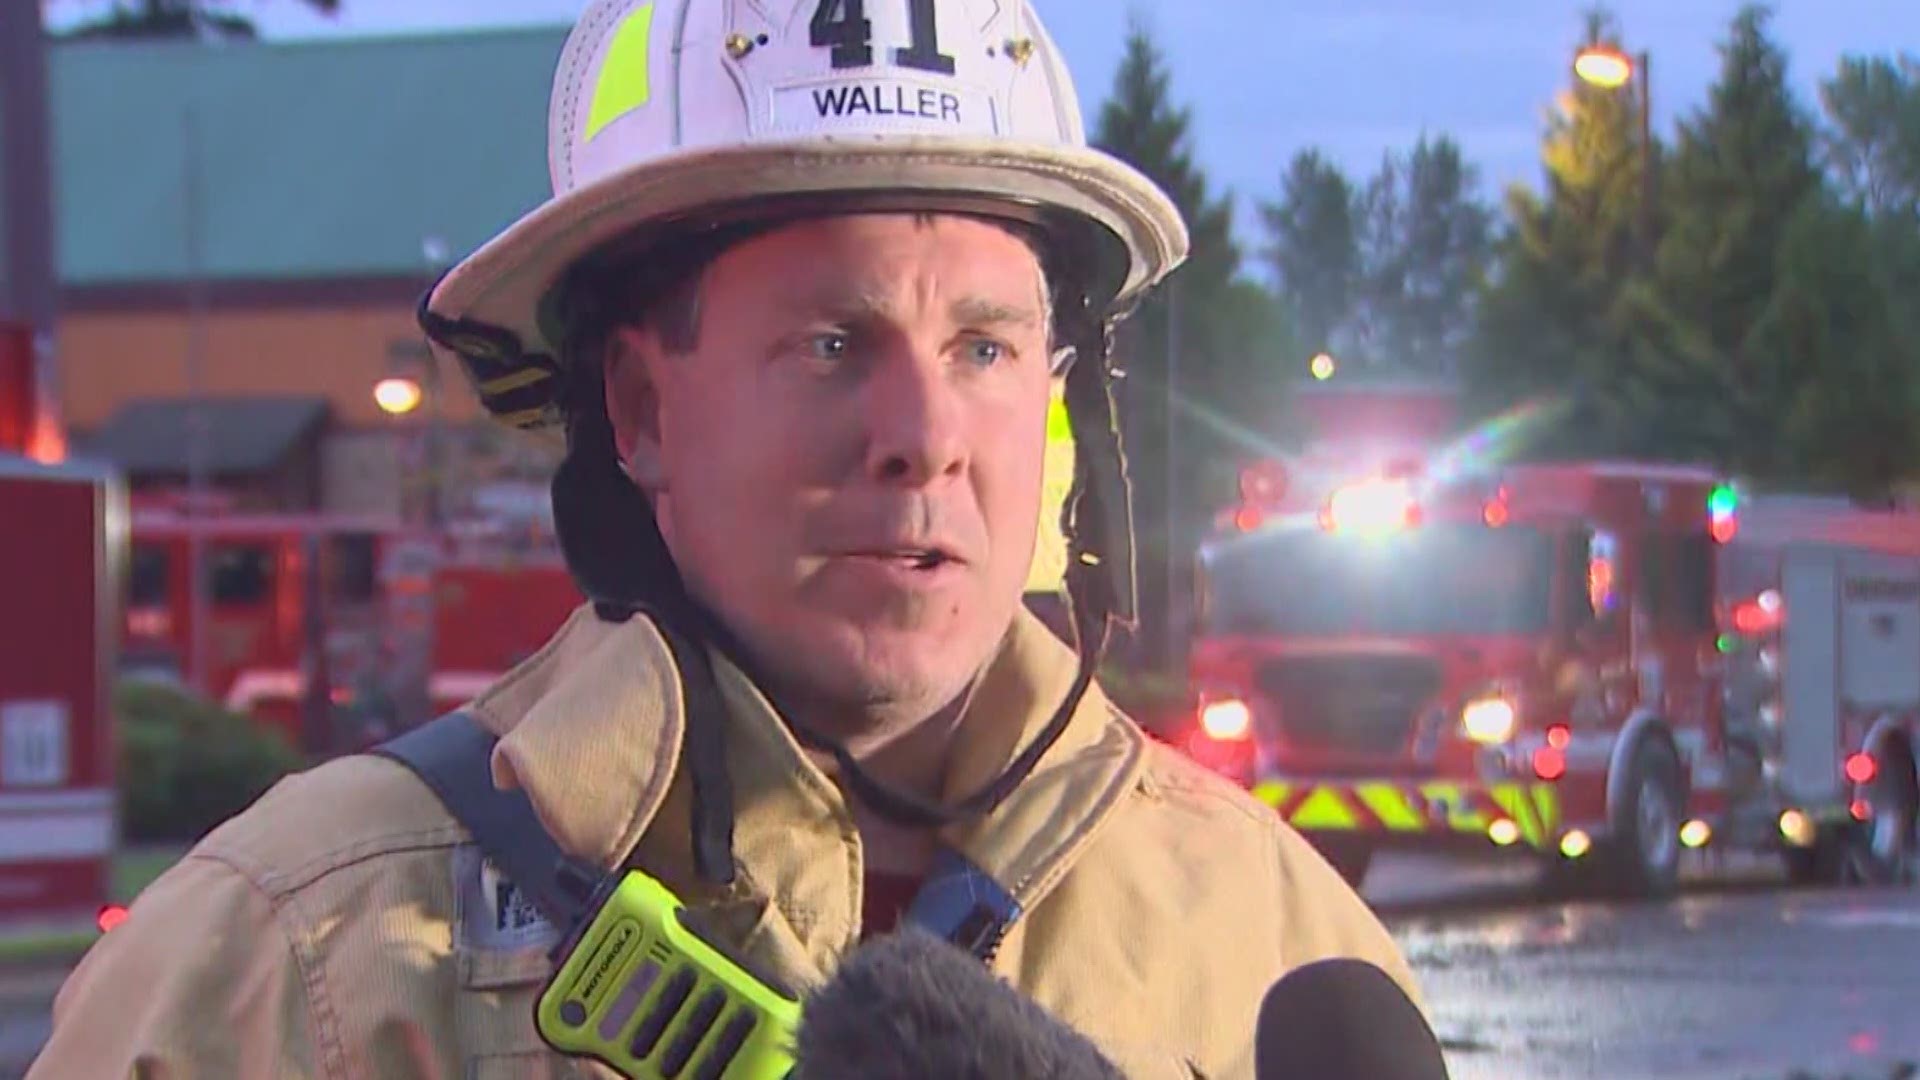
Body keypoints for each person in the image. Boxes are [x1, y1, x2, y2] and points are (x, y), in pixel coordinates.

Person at [31, 1, 1418, 1075]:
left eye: (985, 346)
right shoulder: (292, 961)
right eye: (831, 342)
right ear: (639, 408)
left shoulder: (1278, 944)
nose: (924, 435)